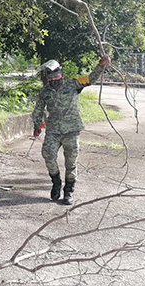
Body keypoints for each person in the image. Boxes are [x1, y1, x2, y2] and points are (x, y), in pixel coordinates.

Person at [32, 55, 111, 205]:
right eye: (50, 79)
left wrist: (100, 65)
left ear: (62, 75)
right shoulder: (45, 92)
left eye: (56, 77)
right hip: (53, 130)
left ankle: (68, 191)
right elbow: (39, 110)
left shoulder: (74, 83)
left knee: (71, 163)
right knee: (48, 155)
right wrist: (37, 126)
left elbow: (90, 79)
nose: (54, 81)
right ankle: (56, 182)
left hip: (72, 130)